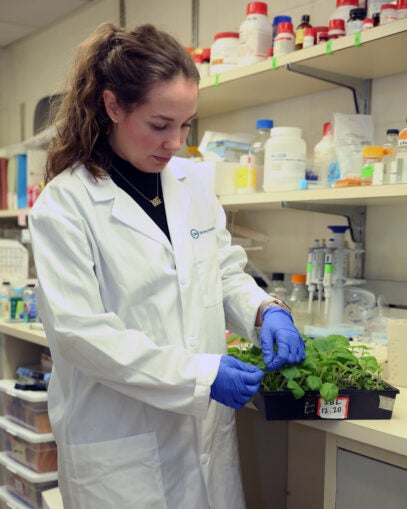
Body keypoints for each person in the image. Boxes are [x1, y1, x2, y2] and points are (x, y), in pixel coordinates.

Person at [28, 22, 305, 509]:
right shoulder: (65, 204)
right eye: (160, 125)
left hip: (204, 442)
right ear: (113, 106)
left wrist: (265, 309)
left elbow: (222, 272)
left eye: (185, 125)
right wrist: (199, 375)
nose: (175, 142)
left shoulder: (192, 183)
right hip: (119, 449)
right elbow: (80, 333)